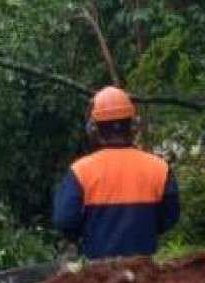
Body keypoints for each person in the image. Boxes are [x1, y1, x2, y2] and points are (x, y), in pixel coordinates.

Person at [51, 86, 180, 258]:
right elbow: (170, 217)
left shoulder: (80, 171)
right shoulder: (159, 168)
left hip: (98, 275)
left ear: (93, 129)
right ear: (134, 126)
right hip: (145, 272)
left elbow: (65, 220)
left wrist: (88, 234)